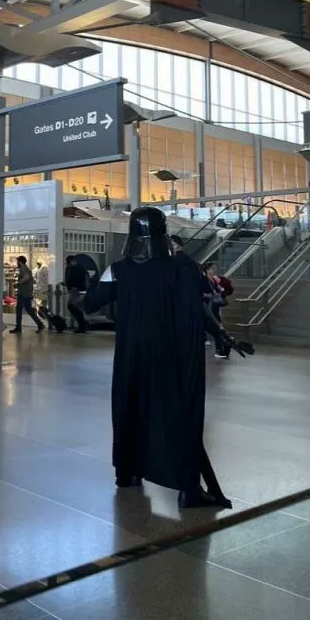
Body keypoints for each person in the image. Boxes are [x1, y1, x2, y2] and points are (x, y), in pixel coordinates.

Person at [84, 207, 231, 510]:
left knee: (129, 408)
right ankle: (187, 488)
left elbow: (91, 303)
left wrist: (94, 283)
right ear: (163, 232)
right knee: (176, 415)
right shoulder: (181, 268)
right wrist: (220, 332)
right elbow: (197, 308)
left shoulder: (118, 270)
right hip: (170, 356)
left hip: (131, 355)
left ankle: (128, 472)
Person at [202, 261, 229, 360]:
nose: (215, 270)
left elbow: (221, 290)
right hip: (207, 307)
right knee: (217, 328)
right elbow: (199, 292)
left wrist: (221, 289)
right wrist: (206, 295)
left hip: (214, 307)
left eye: (215, 268)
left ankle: (220, 349)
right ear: (207, 270)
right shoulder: (202, 280)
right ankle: (219, 349)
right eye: (212, 268)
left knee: (218, 328)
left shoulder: (215, 280)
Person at [9, 256, 43, 334]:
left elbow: (26, 277)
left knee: (19, 310)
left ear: (20, 262)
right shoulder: (26, 268)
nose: (17, 263)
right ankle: (40, 324)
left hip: (24, 293)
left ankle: (18, 328)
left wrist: (18, 283)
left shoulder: (23, 268)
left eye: (17, 261)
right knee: (29, 310)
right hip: (27, 293)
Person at [64, 255, 88, 334]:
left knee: (72, 306)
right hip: (77, 290)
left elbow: (76, 280)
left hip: (76, 290)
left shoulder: (77, 268)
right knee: (76, 307)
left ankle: (82, 325)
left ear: (71, 261)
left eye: (68, 263)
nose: (68, 264)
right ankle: (82, 324)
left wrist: (71, 286)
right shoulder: (78, 268)